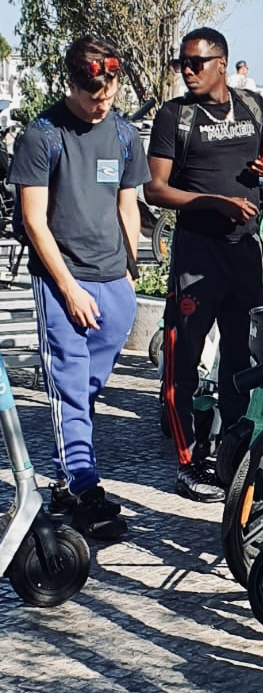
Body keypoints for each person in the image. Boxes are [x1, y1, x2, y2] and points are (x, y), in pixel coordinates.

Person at [8, 36, 149, 539]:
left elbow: (128, 205)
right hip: (63, 281)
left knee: (87, 390)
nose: (100, 103)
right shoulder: (42, 135)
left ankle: (69, 473)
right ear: (71, 84)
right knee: (70, 388)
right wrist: (67, 288)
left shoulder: (125, 134)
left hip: (115, 282)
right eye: (92, 95)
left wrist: (130, 273)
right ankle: (82, 486)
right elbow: (33, 220)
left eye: (108, 93)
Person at [146, 26, 263, 502]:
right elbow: (156, 189)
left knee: (240, 356)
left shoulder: (251, 106)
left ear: (222, 63)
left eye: (196, 62)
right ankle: (187, 465)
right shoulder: (175, 116)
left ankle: (235, 453)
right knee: (182, 358)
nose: (187, 70)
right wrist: (212, 202)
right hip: (196, 251)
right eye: (181, 63)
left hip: (244, 252)